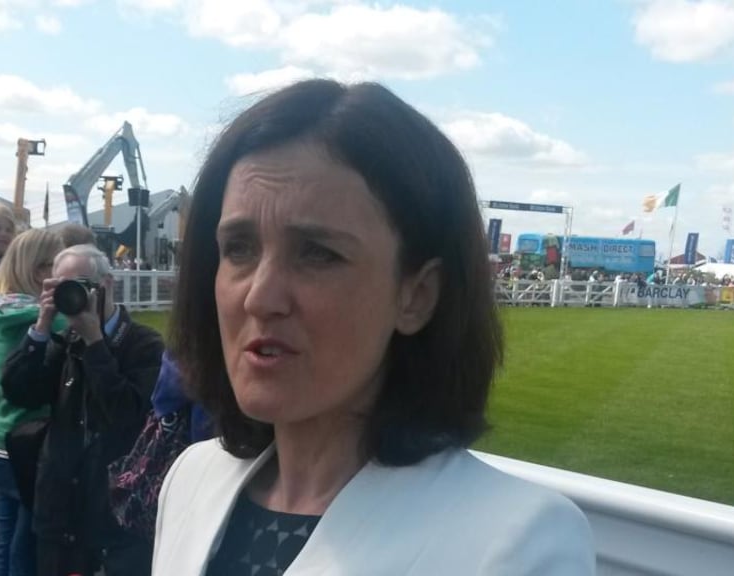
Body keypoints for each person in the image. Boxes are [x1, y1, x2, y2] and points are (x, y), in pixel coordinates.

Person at [154, 80, 595, 575]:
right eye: (238, 248)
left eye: (317, 254)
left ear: (417, 296)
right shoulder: (192, 478)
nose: (260, 296)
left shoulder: (515, 541)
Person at [1, 244, 163, 576]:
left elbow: (126, 415)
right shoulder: (63, 341)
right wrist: (42, 326)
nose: (73, 296)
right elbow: (18, 392)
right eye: (62, 287)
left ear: (107, 285)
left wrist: (96, 344)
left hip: (114, 521)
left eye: (80, 286)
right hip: (60, 516)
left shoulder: (143, 345)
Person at [0, 229, 65, 576]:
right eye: (55, 266)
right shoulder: (41, 318)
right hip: (29, 441)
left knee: (6, 540)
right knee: (28, 545)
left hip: (0, 438)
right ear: (36, 270)